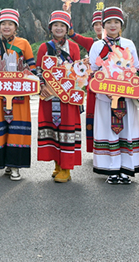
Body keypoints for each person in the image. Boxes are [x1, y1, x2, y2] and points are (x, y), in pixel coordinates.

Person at [88, 7, 139, 184]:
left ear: (121, 25)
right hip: (105, 98)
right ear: (103, 25)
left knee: (126, 130)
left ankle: (126, 169)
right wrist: (107, 90)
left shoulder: (129, 44)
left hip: (127, 98)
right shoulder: (97, 46)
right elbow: (93, 73)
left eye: (116, 22)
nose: (112, 25)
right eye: (109, 22)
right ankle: (111, 169)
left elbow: (136, 70)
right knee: (108, 131)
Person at [0, 9, 36, 180]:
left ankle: (15, 166)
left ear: (16, 27)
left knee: (16, 130)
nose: (6, 27)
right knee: (1, 130)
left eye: (10, 24)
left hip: (19, 96)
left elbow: (32, 67)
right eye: (3, 24)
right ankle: (5, 163)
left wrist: (29, 75)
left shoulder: (24, 43)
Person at [36, 11, 82, 183]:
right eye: (56, 25)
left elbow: (78, 73)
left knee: (67, 130)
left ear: (68, 28)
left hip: (67, 98)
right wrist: (42, 87)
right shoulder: (43, 47)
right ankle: (57, 164)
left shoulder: (75, 48)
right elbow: (39, 71)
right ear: (50, 28)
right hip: (49, 96)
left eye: (62, 26)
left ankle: (67, 168)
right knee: (53, 130)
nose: (59, 28)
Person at [68, 10, 103, 153]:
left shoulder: (121, 43)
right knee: (94, 115)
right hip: (94, 85)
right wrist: (68, 14)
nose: (99, 27)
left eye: (101, 24)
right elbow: (72, 35)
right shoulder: (92, 43)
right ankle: (96, 147)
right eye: (96, 24)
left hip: (114, 87)